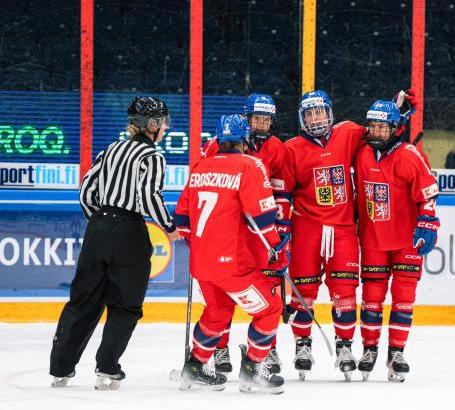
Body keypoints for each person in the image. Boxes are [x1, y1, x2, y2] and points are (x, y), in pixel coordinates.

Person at [282, 89, 416, 381]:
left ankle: (345, 346)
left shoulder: (349, 133)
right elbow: (283, 194)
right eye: (309, 113)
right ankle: (302, 345)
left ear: (330, 113)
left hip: (342, 229)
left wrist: (399, 112)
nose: (316, 118)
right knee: (303, 292)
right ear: (301, 118)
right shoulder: (290, 148)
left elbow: (383, 130)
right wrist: (280, 229)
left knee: (344, 293)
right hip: (306, 229)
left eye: (320, 112)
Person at [49, 96, 181, 390]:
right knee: (125, 305)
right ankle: (107, 370)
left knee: (83, 300)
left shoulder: (111, 148)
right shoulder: (152, 156)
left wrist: (100, 222)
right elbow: (149, 197)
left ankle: (60, 368)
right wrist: (169, 227)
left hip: (98, 228)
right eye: (162, 122)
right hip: (129, 231)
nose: (165, 128)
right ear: (152, 125)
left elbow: (86, 190)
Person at [173, 114, 285, 393]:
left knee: (218, 312)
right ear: (245, 140)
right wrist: (277, 249)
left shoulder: (201, 167)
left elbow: (182, 220)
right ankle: (253, 370)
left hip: (202, 264)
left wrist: (202, 246)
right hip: (233, 264)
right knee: (270, 310)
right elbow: (262, 219)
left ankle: (195, 366)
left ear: (219, 140)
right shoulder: (250, 165)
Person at [201, 94, 290, 375]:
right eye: (257, 118)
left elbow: (282, 191)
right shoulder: (221, 143)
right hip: (226, 230)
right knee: (219, 296)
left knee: (268, 288)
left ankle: (266, 349)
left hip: (258, 232)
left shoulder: (277, 148)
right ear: (247, 118)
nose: (262, 123)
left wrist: (280, 226)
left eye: (266, 119)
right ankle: (219, 348)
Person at [354, 100, 439, 382]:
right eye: (373, 126)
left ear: (395, 129)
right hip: (373, 239)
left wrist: (428, 223)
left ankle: (397, 352)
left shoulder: (409, 155)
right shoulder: (361, 154)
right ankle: (369, 350)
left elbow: (428, 194)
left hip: (407, 242)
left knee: (404, 300)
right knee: (371, 300)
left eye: (382, 126)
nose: (376, 132)